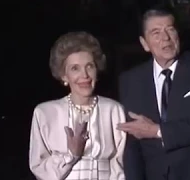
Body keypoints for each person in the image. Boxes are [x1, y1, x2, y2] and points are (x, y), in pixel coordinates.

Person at [117, 5, 190, 180]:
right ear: (144, 44)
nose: (165, 38)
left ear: (178, 35)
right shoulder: (130, 80)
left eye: (170, 30)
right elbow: (132, 146)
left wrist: (157, 131)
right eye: (156, 33)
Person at [29, 31, 126, 180]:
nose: (85, 75)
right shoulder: (45, 113)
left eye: (89, 66)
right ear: (64, 75)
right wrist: (71, 155)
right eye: (75, 68)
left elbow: (121, 163)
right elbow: (39, 167)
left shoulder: (114, 110)